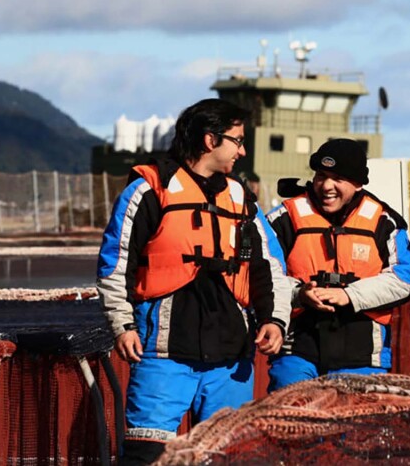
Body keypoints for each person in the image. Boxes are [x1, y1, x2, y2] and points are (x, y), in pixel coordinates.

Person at [96, 98, 291, 464]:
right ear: (209, 140)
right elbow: (115, 264)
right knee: (146, 456)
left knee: (228, 457)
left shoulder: (241, 199)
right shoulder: (149, 191)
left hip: (231, 361)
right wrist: (122, 325)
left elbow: (270, 268)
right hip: (163, 355)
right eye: (237, 140)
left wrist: (274, 320)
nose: (243, 150)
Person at [266, 138, 410, 391]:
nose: (326, 186)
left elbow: (404, 278)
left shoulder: (385, 222)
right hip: (297, 348)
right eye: (321, 175)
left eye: (338, 178)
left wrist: (349, 295)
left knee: (353, 429)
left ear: (358, 183)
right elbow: (264, 273)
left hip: (361, 353)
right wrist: (299, 294)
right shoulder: (283, 218)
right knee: (290, 424)